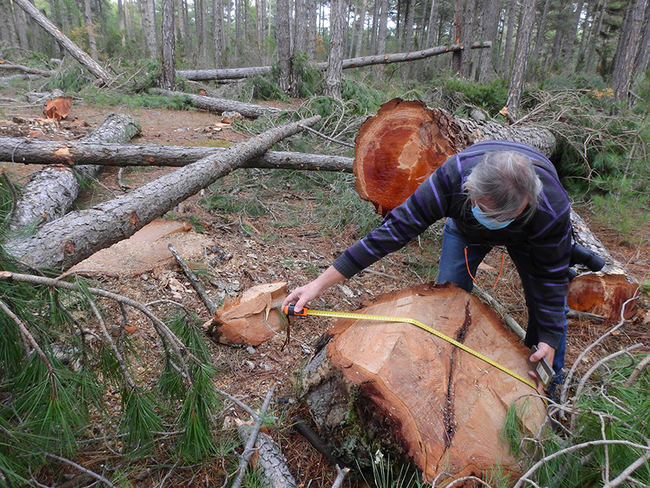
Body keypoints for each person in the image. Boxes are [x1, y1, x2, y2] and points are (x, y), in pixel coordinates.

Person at [282, 140, 572, 394]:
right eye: (486, 210)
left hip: (528, 239)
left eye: (502, 217)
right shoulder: (452, 177)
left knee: (546, 317)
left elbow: (552, 280)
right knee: (447, 298)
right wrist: (316, 285)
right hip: (466, 231)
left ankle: (548, 386)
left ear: (526, 206)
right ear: (470, 189)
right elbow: (390, 234)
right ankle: (444, 372)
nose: (493, 221)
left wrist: (548, 340)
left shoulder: (549, 209)